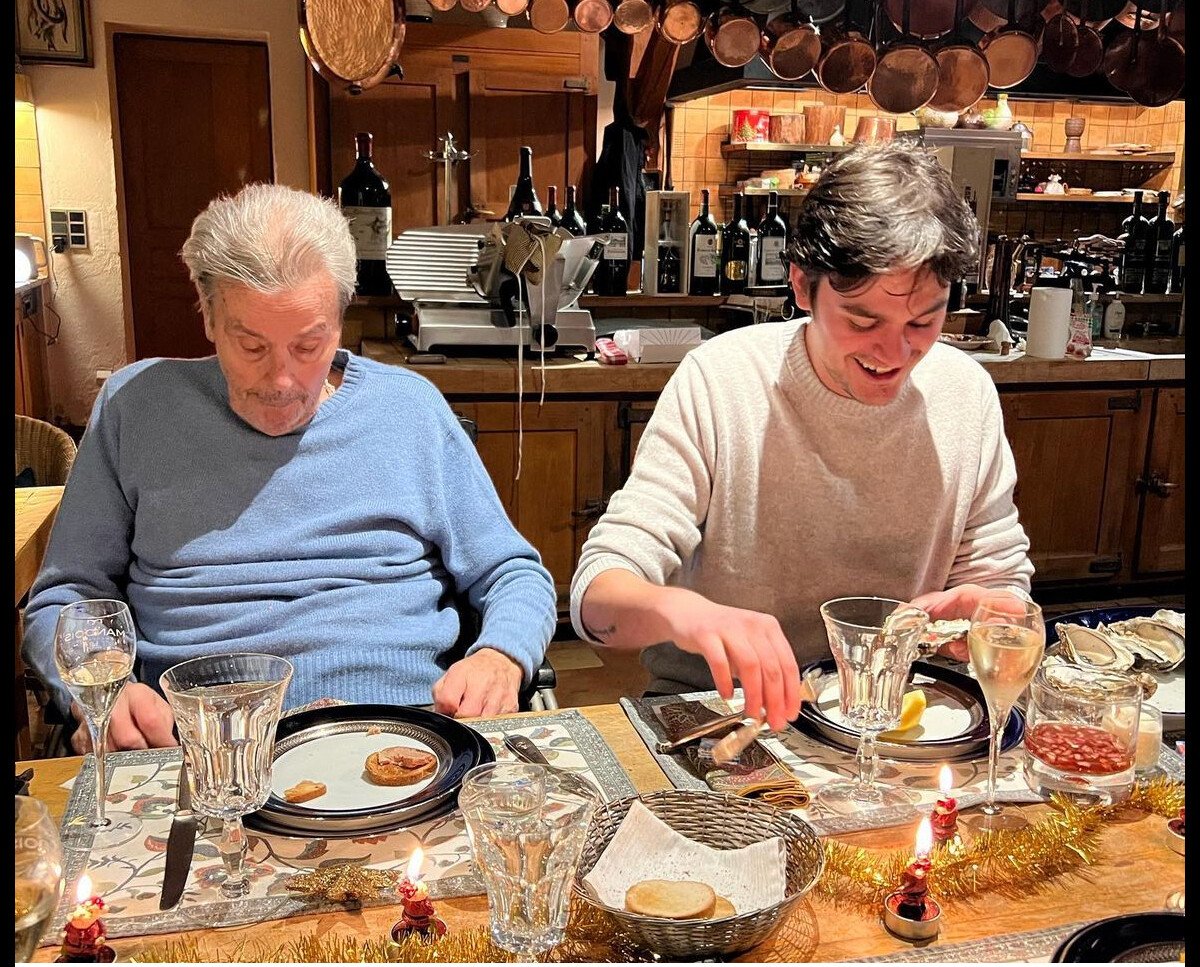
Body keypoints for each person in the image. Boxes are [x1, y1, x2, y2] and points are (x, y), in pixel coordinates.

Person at [23, 183, 557, 753]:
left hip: (403, 728)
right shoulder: (137, 408)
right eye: (251, 346)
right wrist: (99, 688)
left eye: (308, 345)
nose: (281, 380)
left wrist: (501, 655)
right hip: (195, 745)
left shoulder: (409, 409)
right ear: (207, 315)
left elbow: (514, 573)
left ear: (340, 320)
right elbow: (66, 599)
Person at [570, 141, 1034, 732]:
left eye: (923, 321)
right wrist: (682, 612)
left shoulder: (966, 395)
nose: (895, 354)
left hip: (888, 716)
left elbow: (1001, 582)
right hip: (720, 712)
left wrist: (990, 613)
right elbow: (597, 600)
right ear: (800, 286)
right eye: (862, 321)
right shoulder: (723, 379)